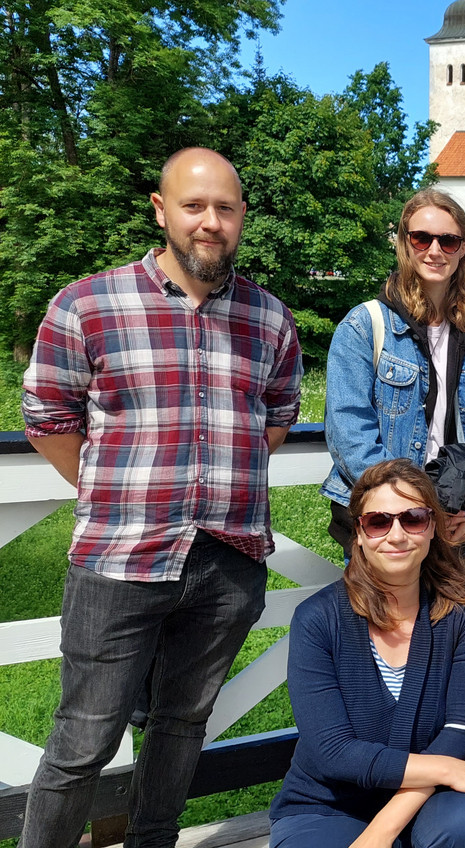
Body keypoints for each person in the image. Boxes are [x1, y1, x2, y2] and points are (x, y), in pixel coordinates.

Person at [19, 147, 303, 848]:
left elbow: (278, 413)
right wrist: (109, 489)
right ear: (161, 209)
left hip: (228, 560)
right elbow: (47, 416)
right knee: (84, 738)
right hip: (121, 558)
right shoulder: (88, 303)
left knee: (182, 728)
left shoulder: (269, 319)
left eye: (226, 208)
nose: (211, 222)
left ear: (242, 217)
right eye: (194, 206)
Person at [270, 459, 465, 848]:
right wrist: (446, 769)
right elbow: (334, 752)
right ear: (359, 533)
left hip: (433, 795)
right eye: (379, 521)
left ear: (433, 527)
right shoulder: (317, 620)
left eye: (413, 518)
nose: (396, 535)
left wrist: (381, 831)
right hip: (331, 801)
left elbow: (461, 728)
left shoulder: (464, 611)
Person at [322, 189, 465, 588]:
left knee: (452, 637)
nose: (435, 250)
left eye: (448, 241)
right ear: (405, 242)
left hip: (457, 522)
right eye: (422, 238)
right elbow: (349, 431)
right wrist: (410, 511)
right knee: (383, 636)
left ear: (463, 249)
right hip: (388, 526)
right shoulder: (365, 326)